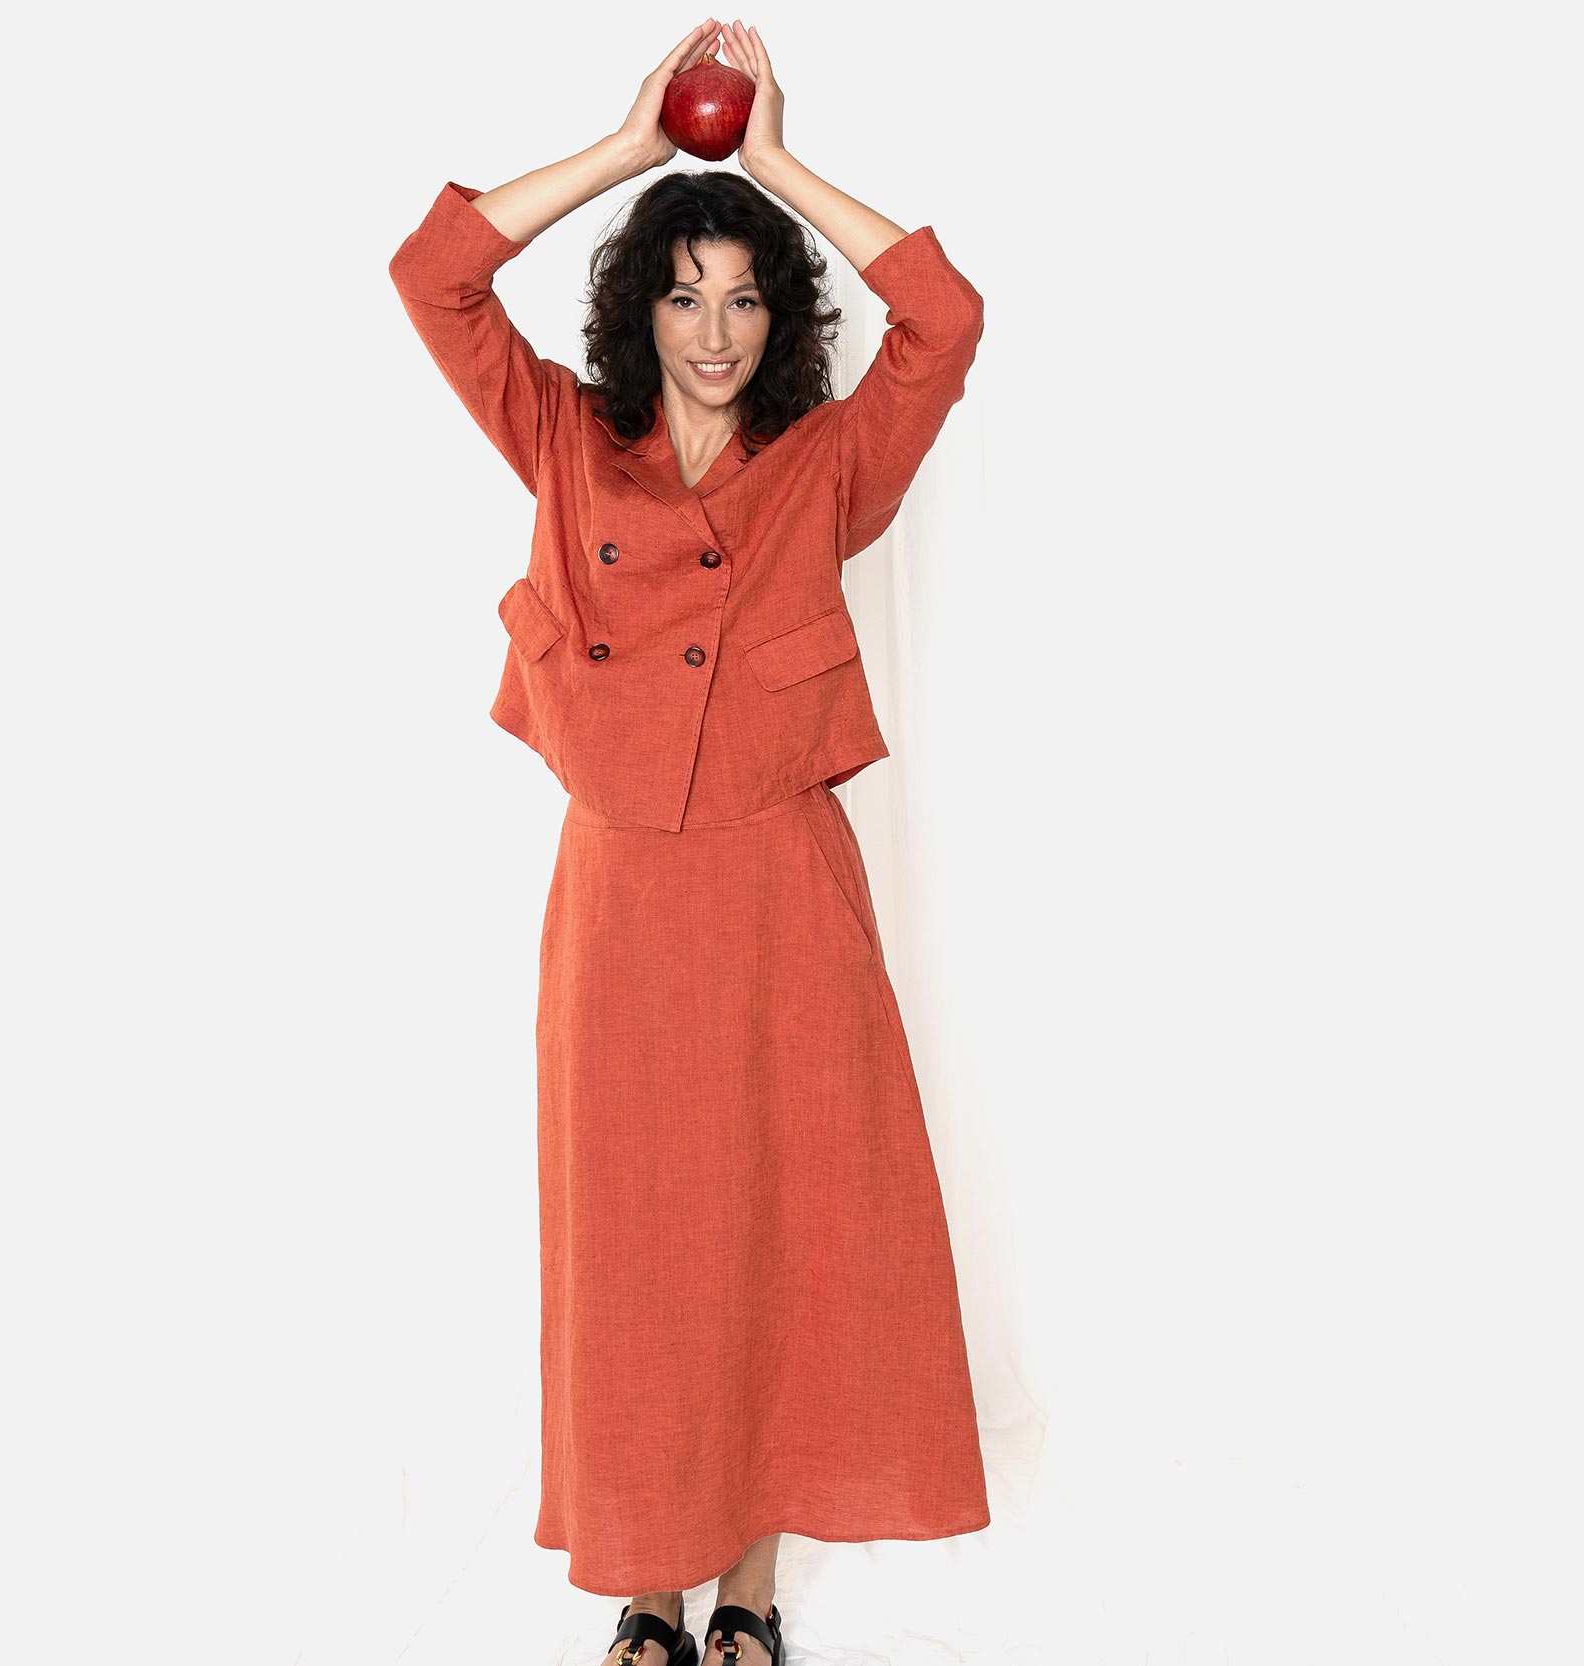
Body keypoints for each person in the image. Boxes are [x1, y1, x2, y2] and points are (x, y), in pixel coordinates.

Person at [388, 19, 990, 1666]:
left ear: (779, 317)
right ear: (637, 311)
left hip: (782, 889)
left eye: (743, 297)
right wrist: (636, 146)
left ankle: (751, 1590)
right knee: (636, 1238)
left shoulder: (829, 466)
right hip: (624, 895)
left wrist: (770, 160)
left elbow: (945, 320)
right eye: (682, 294)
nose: (714, 332)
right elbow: (434, 277)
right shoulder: (566, 440)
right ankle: (645, 1588)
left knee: (776, 1224)